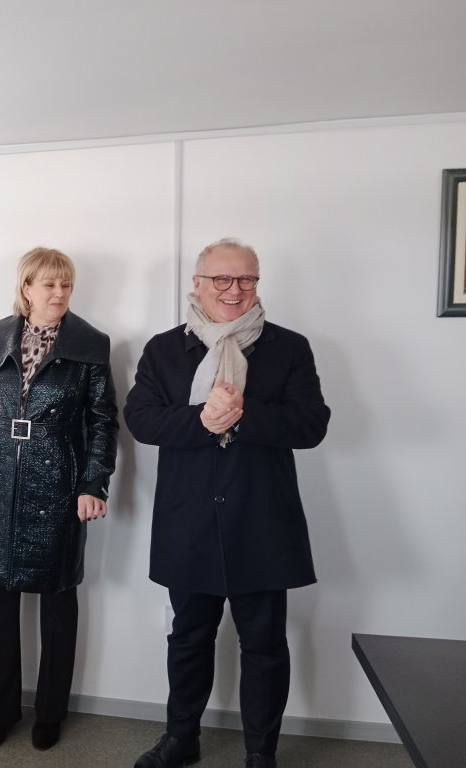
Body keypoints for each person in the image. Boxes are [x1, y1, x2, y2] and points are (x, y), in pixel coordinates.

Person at [123, 238, 330, 768]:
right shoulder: (163, 350)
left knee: (265, 645)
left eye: (246, 279)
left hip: (262, 520)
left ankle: (261, 752)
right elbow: (141, 419)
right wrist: (200, 418)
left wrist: (243, 413)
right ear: (197, 284)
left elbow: (312, 424)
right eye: (222, 279)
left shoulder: (289, 347)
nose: (234, 290)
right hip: (189, 520)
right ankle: (181, 739)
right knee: (188, 637)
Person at [0, 247, 119, 752]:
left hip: (59, 483)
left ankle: (50, 713)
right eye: (49, 284)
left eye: (66, 285)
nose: (59, 293)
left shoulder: (90, 343)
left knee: (58, 601)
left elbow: (103, 422)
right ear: (26, 287)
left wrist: (94, 484)